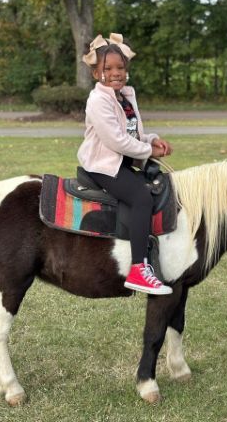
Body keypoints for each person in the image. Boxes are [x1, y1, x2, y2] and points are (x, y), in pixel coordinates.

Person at [77, 32, 173, 296]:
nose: (115, 72)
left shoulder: (126, 97)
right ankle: (138, 269)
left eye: (120, 67)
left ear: (126, 70)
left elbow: (132, 133)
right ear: (97, 74)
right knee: (141, 198)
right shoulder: (98, 100)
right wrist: (148, 151)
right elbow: (116, 140)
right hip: (102, 164)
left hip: (120, 161)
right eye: (107, 68)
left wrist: (153, 140)